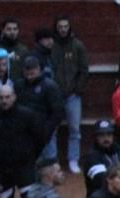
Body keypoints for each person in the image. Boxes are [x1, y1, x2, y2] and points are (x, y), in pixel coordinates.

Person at [0, 83, 50, 198]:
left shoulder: (26, 115)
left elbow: (41, 138)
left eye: (7, 97)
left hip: (23, 168)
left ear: (14, 97)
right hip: (3, 170)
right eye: (1, 98)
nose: (4, 101)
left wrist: (30, 157)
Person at [50, 17, 88, 174]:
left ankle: (73, 159)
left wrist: (78, 89)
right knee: (52, 129)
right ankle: (52, 160)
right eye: (60, 27)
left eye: (66, 26)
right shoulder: (51, 46)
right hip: (54, 95)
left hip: (73, 95)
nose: (63, 29)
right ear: (56, 28)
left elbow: (84, 69)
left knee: (74, 128)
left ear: (69, 27)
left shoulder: (77, 45)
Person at [16, 54, 62, 165]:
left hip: (45, 129)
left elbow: (57, 112)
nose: (29, 77)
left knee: (49, 163)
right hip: (26, 132)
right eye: (27, 73)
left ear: (38, 69)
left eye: (32, 73)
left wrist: (47, 131)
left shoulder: (50, 86)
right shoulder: (19, 85)